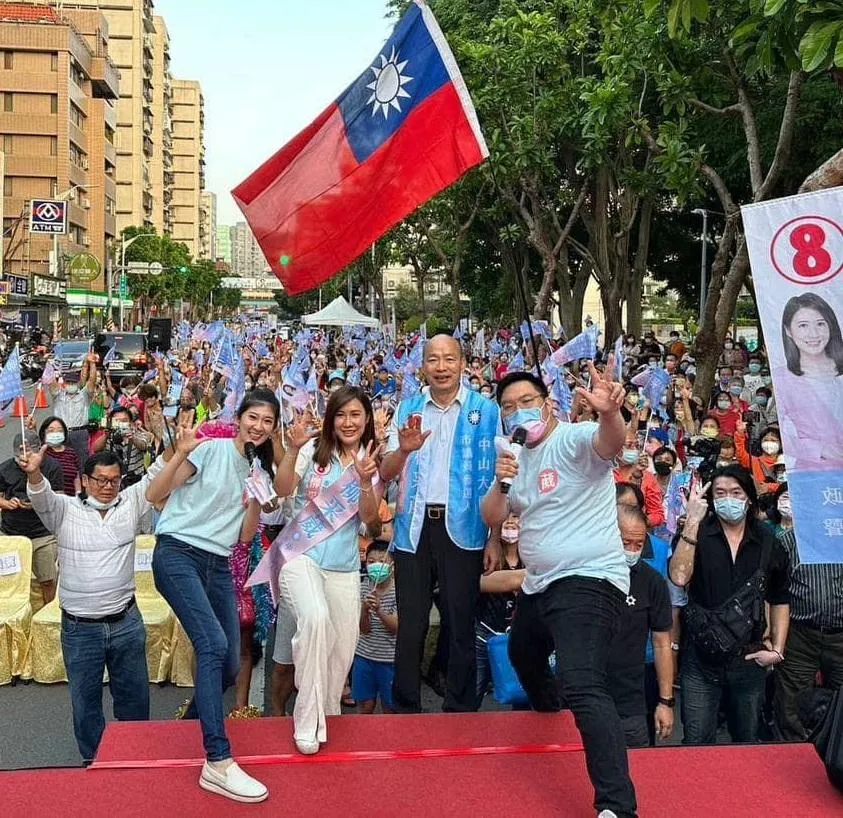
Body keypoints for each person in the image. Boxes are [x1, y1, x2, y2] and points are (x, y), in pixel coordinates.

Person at [481, 366, 637, 818]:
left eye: (526, 401)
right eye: (508, 406)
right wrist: (501, 480)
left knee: (583, 680)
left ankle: (617, 806)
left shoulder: (572, 439)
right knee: (523, 654)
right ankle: (547, 712)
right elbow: (492, 514)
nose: (518, 411)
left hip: (588, 578)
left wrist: (610, 414)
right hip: (539, 584)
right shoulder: (515, 458)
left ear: (547, 404)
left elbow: (611, 443)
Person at [148, 390, 279, 804]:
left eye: (267, 421)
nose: (258, 426)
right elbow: (155, 495)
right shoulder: (210, 450)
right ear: (238, 418)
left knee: (226, 663)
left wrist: (257, 499)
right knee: (212, 643)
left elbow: (243, 536)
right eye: (252, 417)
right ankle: (217, 761)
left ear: (273, 430)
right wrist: (179, 453)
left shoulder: (259, 470)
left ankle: (188, 725)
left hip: (218, 563)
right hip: (178, 553)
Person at [379, 334, 500, 715]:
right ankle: (404, 706)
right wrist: (403, 449)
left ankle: (460, 707)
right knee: (411, 623)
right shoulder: (408, 408)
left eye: (449, 359)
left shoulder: (485, 410)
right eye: (434, 360)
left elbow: (500, 476)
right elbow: (386, 472)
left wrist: (495, 537)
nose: (442, 367)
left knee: (460, 621)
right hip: (414, 526)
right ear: (423, 365)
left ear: (463, 363)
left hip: (465, 526)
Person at [23, 446, 166, 764]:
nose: (107, 486)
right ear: (85, 481)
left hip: (126, 623)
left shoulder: (130, 503)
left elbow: (158, 471)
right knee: (85, 704)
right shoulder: (63, 509)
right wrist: (34, 472)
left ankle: (135, 758)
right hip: (79, 629)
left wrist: (179, 444)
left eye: (114, 480)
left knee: (134, 700)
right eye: (100, 480)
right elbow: (41, 496)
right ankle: (95, 763)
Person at [273, 386, 383, 754]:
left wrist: (366, 482)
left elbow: (371, 522)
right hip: (299, 555)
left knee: (339, 653)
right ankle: (306, 720)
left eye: (355, 415)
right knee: (315, 619)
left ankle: (328, 714)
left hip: (343, 567)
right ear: (330, 418)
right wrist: (290, 450)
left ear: (366, 419)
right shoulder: (312, 450)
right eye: (341, 414)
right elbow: (282, 488)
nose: (348, 422)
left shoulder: (370, 460)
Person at [669, 465, 790, 744]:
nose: (729, 499)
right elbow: (678, 577)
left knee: (746, 739)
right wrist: (692, 522)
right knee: (697, 739)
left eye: (736, 492)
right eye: (720, 493)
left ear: (748, 497)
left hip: (749, 658)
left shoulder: (767, 541)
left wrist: (778, 650)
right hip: (700, 657)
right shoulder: (698, 532)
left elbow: (780, 598)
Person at [606, 504, 674, 748]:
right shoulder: (584, 574)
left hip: (630, 701)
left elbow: (662, 643)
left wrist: (665, 702)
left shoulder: (651, 581)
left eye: (638, 544)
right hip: (580, 699)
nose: (631, 551)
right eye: (625, 543)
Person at [774, 526, 843, 740]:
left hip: (841, 636)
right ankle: (791, 756)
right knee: (790, 704)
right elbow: (774, 589)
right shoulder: (788, 541)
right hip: (800, 635)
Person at [774, 293, 843, 467]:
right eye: (803, 325)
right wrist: (820, 449)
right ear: (788, 331)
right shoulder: (782, 379)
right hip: (815, 474)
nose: (813, 334)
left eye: (820, 324)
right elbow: (774, 433)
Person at [0, 431, 64, 607]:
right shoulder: (4, 469)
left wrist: (39, 501)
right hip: (11, 533)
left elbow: (59, 499)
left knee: (47, 580)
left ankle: (48, 610)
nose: (24, 455)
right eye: (20, 450)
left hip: (43, 534)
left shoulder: (52, 467)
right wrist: (6, 503)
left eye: (29, 450)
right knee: (11, 580)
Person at [475, 514, 524, 706]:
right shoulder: (486, 556)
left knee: (523, 693)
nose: (510, 521)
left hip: (519, 635)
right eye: (505, 517)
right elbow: (478, 583)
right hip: (484, 632)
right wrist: (520, 580)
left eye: (516, 517)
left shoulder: (533, 556)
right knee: (473, 690)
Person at [353, 541, 398, 714]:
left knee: (390, 706)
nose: (376, 565)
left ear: (392, 566)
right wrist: (364, 610)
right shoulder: (362, 586)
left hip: (389, 661)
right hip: (364, 657)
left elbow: (395, 628)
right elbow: (363, 629)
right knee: (365, 705)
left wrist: (379, 610)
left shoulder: (399, 591)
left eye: (382, 561)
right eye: (371, 561)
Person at [48, 352, 97, 467]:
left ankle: (83, 483)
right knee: (60, 463)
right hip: (61, 433)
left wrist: (93, 363)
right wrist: (49, 365)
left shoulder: (84, 395)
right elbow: (51, 383)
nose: (71, 384)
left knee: (82, 463)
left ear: (78, 383)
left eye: (73, 382)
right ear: (64, 383)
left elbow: (92, 381)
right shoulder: (58, 395)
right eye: (68, 382)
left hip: (79, 433)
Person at [39, 416, 81, 497]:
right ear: (44, 433)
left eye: (59, 430)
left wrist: (78, 494)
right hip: (49, 500)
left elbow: (76, 477)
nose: (55, 433)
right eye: (51, 430)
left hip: (70, 500)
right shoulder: (42, 452)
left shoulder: (71, 452)